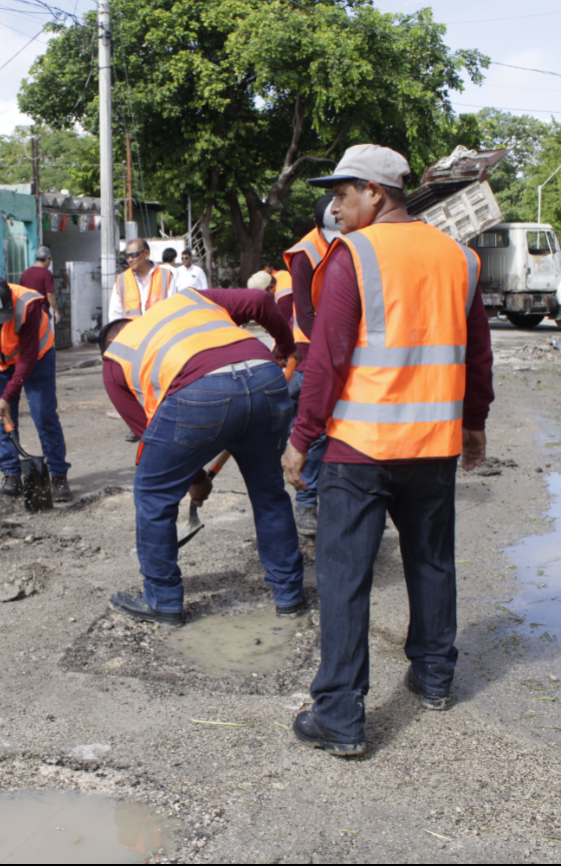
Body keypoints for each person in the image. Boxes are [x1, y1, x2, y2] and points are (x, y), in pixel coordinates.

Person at [282, 144, 493, 756]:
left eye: (343, 193)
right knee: (431, 562)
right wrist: (473, 422)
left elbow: (326, 358)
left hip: (362, 446)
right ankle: (433, 678)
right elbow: (477, 353)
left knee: (345, 577)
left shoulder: (356, 255)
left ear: (375, 193)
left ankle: (341, 718)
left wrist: (301, 439)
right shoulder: (461, 258)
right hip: (432, 446)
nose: (334, 206)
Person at [101, 287, 303, 625]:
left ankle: (163, 600)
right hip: (266, 376)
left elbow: (152, 437)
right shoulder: (189, 300)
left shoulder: (114, 360)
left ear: (107, 344)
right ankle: (289, 594)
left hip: (200, 391)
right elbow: (260, 301)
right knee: (269, 493)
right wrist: (286, 346)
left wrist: (195, 482)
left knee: (153, 494)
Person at [0, 276, 72, 502]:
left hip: (37, 358)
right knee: (3, 419)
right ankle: (11, 475)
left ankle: (58, 474)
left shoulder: (27, 306)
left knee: (44, 415)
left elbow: (27, 357)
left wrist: (7, 396)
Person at [281, 193, 338, 538]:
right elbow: (306, 314)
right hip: (313, 350)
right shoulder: (306, 255)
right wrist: (327, 358)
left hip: (339, 348)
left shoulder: (352, 241)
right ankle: (305, 504)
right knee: (312, 431)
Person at [107, 237, 178, 321]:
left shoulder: (166, 276)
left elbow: (173, 311)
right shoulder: (121, 280)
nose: (129, 260)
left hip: (158, 333)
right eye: (127, 256)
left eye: (133, 255)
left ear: (146, 253)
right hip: (132, 333)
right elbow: (114, 316)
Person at [20, 246, 59, 320]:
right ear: (47, 258)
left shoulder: (25, 273)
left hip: (26, 312)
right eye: (50, 261)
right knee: (43, 331)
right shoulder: (46, 273)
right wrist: (56, 311)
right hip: (41, 312)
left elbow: (21, 294)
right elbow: (50, 294)